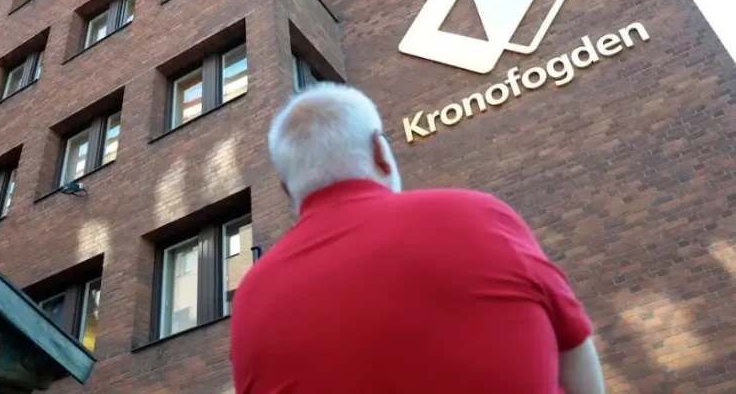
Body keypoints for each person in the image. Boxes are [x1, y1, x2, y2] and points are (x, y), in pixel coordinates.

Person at [230, 83, 605, 394]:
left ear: (286, 189)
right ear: (380, 151)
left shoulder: (250, 297)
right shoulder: (477, 216)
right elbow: (576, 360)